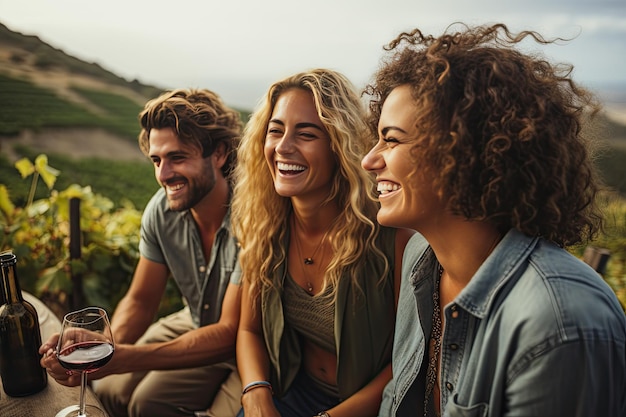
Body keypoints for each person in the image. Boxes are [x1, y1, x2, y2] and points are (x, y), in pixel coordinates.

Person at [361, 23, 626, 417]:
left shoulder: (559, 323)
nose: (369, 159)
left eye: (393, 139)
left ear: (464, 151)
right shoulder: (422, 258)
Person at [40, 88, 244, 417]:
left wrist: (122, 358)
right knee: (107, 388)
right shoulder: (161, 212)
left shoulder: (250, 217)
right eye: (156, 160)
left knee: (147, 405)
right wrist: (103, 347)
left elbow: (228, 334)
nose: (162, 175)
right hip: (194, 321)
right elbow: (140, 301)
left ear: (219, 153)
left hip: (248, 346)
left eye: (177, 157)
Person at [231, 68, 413, 417]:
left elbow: (408, 359)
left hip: (370, 407)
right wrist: (255, 394)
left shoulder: (391, 238)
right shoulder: (265, 226)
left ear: (339, 146)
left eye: (306, 134)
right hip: (289, 394)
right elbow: (249, 328)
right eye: (275, 131)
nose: (283, 147)